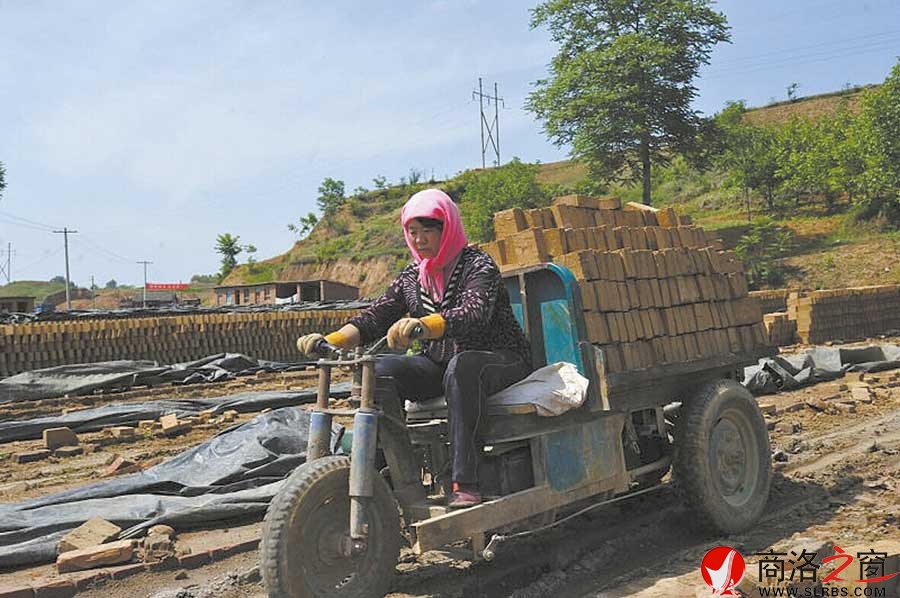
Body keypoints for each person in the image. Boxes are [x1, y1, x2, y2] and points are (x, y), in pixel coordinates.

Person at [297, 188, 532, 508]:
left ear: (447, 228)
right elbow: (376, 317)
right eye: (412, 232)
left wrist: (423, 325)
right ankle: (393, 476)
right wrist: (332, 340)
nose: (419, 240)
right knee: (378, 372)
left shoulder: (478, 265)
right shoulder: (412, 276)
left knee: (463, 366)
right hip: (441, 364)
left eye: (428, 231)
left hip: (498, 360)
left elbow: (473, 314)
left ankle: (466, 481)